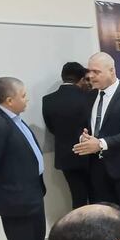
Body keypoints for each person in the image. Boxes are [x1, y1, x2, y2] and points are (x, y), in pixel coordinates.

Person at [0, 77, 46, 240]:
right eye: (23, 96)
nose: (27, 99)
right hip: (15, 199)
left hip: (32, 193)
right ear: (9, 99)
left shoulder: (13, 118)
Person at [73, 52, 120, 212]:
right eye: (89, 71)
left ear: (111, 71)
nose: (91, 76)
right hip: (96, 169)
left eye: (96, 72)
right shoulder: (90, 97)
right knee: (103, 218)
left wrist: (100, 144)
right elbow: (84, 125)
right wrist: (83, 138)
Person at [42, 62, 92, 208]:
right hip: (90, 155)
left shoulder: (48, 100)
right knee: (97, 196)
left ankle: (77, 229)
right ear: (82, 79)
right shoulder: (88, 97)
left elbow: (51, 128)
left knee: (78, 198)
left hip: (66, 157)